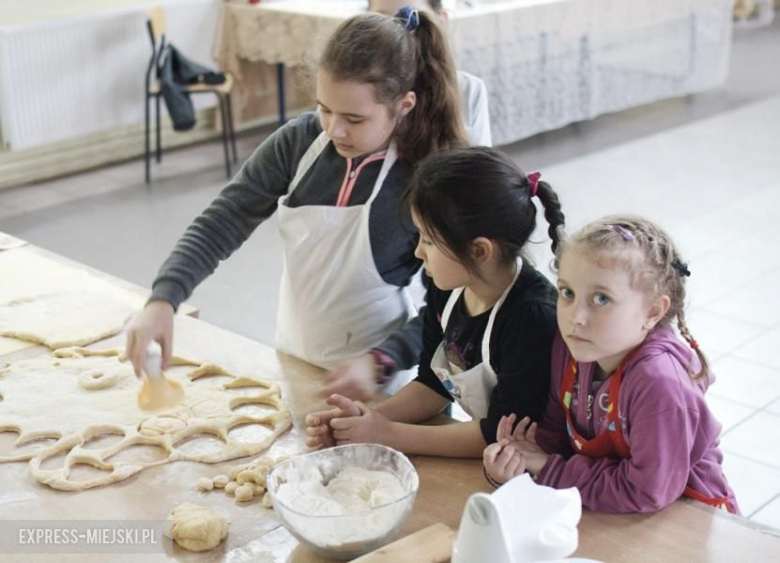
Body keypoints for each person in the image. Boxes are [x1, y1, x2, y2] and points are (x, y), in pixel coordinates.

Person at [125, 10, 467, 381]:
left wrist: (380, 361)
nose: (335, 129)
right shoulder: (300, 142)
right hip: (296, 360)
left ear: (404, 105)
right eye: (324, 109)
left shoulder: (426, 173)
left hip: (385, 384)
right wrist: (163, 298)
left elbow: (454, 303)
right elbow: (224, 219)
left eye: (354, 119)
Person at [305, 147, 565, 457]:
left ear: (480, 251)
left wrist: (386, 434)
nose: (418, 252)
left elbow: (500, 434)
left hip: (535, 466)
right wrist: (365, 420)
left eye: (428, 240)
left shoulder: (533, 320)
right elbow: (434, 383)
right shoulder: (450, 285)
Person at [483, 216, 740, 514]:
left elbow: (646, 490)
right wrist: (520, 459)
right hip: (610, 512)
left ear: (653, 311)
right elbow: (557, 430)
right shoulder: (572, 347)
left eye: (601, 299)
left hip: (685, 519)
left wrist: (550, 469)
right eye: (567, 293)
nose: (575, 317)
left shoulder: (659, 383)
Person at [370, 0, 492, 147]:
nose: (395, 34)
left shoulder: (468, 89)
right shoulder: (363, 89)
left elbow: (484, 164)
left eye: (410, 20)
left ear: (442, 21)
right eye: (382, 20)